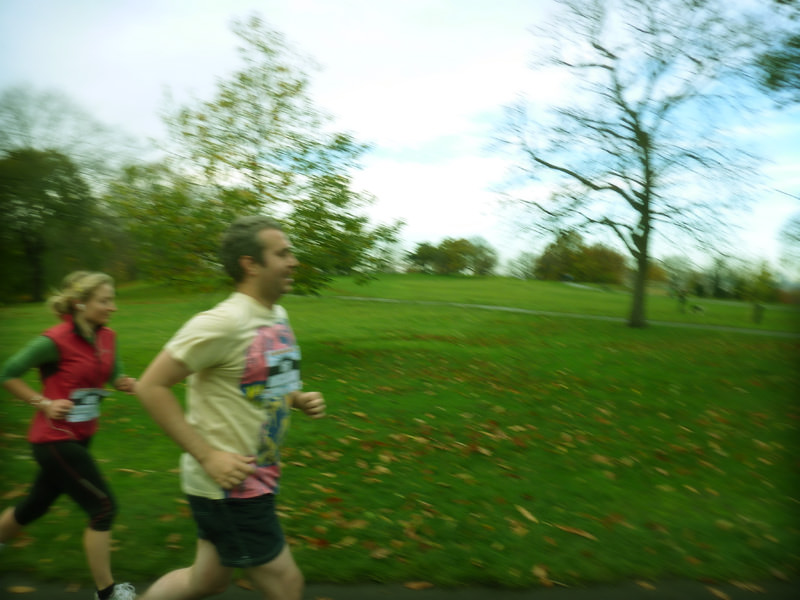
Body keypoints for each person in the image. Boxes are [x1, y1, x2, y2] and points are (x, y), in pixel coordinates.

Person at [136, 216, 326, 600]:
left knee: (205, 581)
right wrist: (207, 456)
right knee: (285, 583)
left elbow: (264, 379)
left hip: (260, 474)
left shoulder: (276, 316)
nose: (294, 261)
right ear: (250, 263)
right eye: (282, 253)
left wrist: (297, 398)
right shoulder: (222, 322)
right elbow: (150, 386)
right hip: (231, 484)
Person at [0, 271, 137, 600]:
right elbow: (8, 373)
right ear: (80, 303)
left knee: (35, 505)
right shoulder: (54, 340)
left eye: (111, 300)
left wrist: (124, 382)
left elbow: (113, 373)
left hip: (81, 437)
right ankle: (106, 593)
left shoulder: (108, 337)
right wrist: (44, 403)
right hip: (53, 439)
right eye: (104, 301)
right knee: (103, 508)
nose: (112, 307)